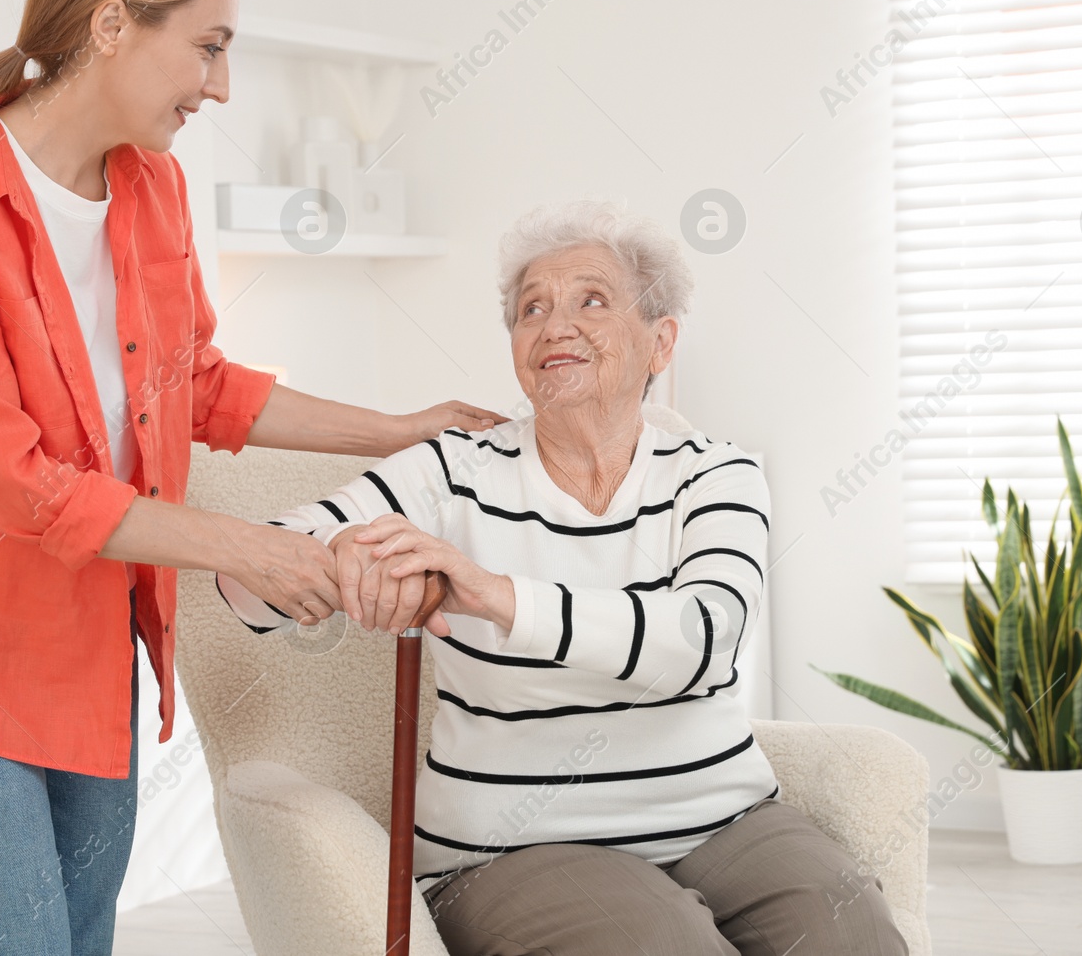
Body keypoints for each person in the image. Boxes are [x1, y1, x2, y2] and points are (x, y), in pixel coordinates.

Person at [0, 0, 504, 954]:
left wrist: (394, 429)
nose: (222, 85)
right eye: (209, 46)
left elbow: (198, 381)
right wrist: (249, 547)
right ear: (112, 25)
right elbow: (12, 481)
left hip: (90, 638)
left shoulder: (152, 186)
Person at [218, 199, 908, 954]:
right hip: (513, 847)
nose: (554, 325)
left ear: (660, 342)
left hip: (723, 820)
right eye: (531, 308)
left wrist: (493, 593)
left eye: (592, 300)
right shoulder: (456, 469)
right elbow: (250, 578)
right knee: (663, 945)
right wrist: (345, 557)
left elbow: (703, 637)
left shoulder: (716, 474)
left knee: (853, 933)